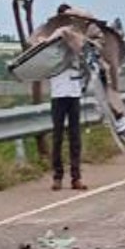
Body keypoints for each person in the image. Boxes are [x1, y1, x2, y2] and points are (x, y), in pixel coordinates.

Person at [49, 60, 86, 192]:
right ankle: (57, 177)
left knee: (75, 137)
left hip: (74, 93)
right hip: (58, 94)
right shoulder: (52, 44)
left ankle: (76, 177)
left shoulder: (77, 44)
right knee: (57, 137)